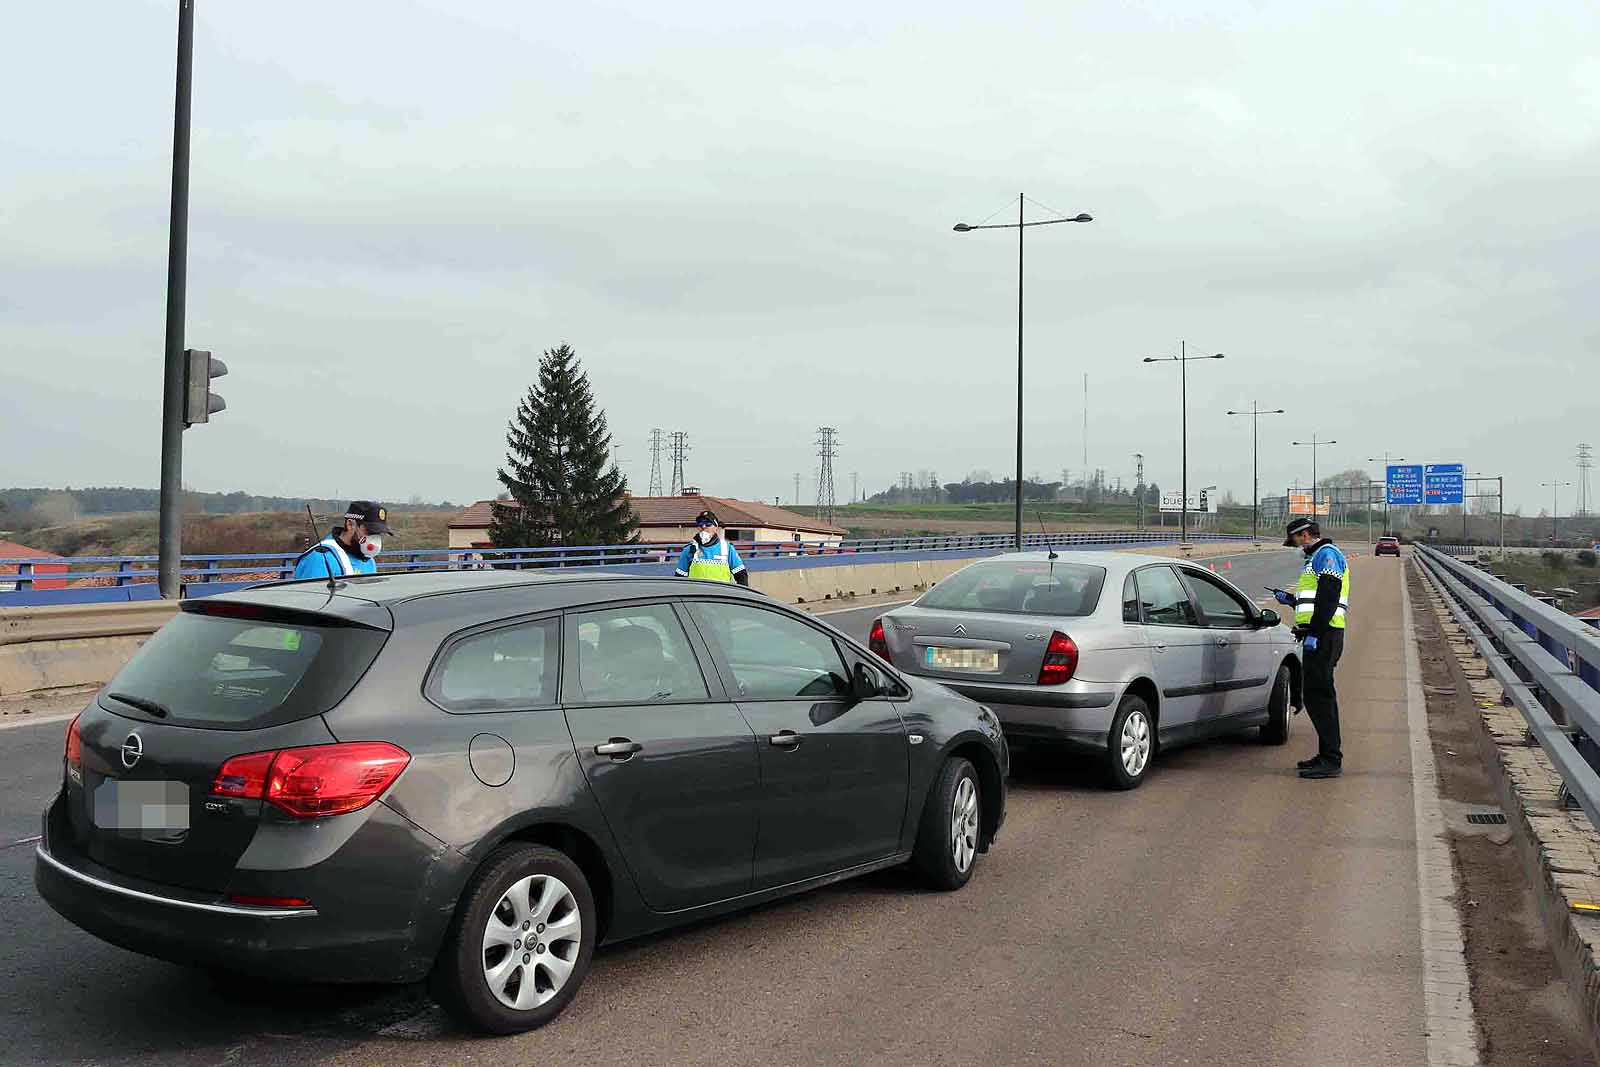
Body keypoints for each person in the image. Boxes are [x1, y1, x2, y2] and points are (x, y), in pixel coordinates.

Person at [1273, 516, 1350, 779]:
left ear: (1305, 535)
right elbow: (1315, 600)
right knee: (1316, 696)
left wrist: (1315, 633)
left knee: (1320, 696)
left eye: (1295, 540)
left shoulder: (1326, 555)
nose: (1296, 546)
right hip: (1319, 634)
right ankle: (1326, 754)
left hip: (1325, 636)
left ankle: (1331, 759)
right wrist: (1292, 601)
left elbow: (1329, 597)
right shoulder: (1316, 559)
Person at [292, 501, 391, 580]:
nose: (374, 538)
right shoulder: (321, 558)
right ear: (350, 525)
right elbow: (309, 601)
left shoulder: (368, 560)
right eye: (370, 531)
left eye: (378, 533)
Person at [674, 509, 749, 586]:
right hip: (696, 596)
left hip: (720, 596)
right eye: (700, 524)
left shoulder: (727, 548)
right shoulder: (689, 549)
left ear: (716, 527)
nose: (703, 526)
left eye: (708, 524)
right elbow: (679, 579)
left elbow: (741, 576)